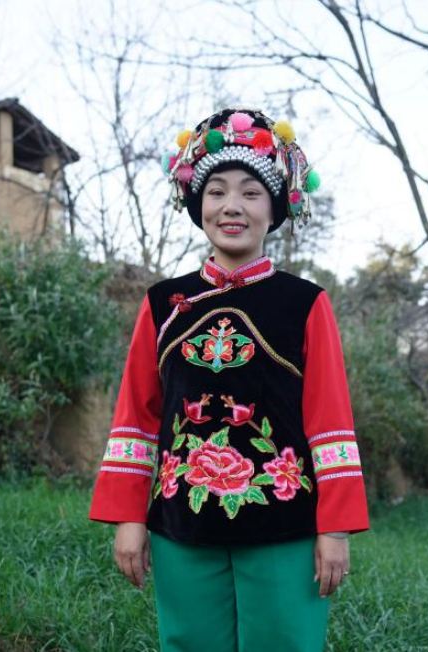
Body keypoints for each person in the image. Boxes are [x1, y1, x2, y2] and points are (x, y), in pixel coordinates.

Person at [89, 107, 370, 652]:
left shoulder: (304, 304)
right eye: (216, 192)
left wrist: (334, 529)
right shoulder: (163, 304)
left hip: (284, 524)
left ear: (275, 209)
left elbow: (329, 420)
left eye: (251, 193)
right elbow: (137, 417)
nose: (232, 206)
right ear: (199, 205)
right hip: (181, 521)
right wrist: (128, 518)